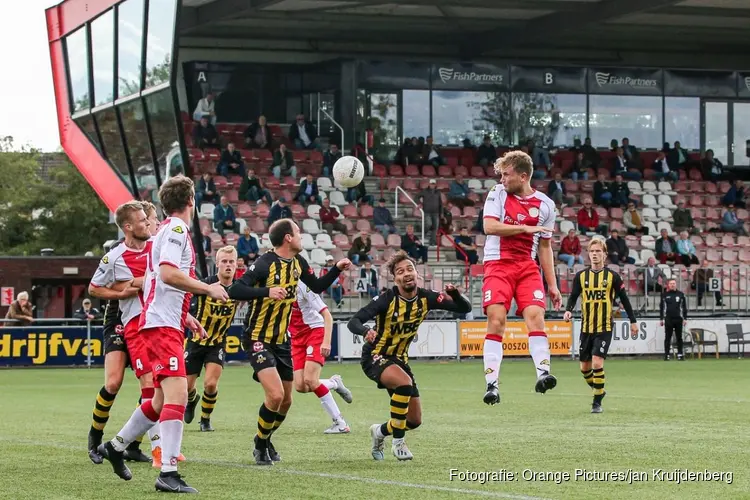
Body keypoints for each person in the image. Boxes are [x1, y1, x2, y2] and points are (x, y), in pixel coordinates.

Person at [99, 176, 229, 493]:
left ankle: (116, 447)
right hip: (160, 325)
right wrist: (208, 289)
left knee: (158, 400)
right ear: (191, 201)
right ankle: (168, 473)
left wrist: (186, 317)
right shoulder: (175, 229)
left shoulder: (162, 232)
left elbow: (160, 281)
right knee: (178, 395)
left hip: (163, 321)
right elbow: (170, 273)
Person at [228, 219, 351, 466]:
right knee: (274, 396)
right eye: (297, 232)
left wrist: (336, 268)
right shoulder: (264, 264)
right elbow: (235, 290)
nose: (301, 236)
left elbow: (316, 286)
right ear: (287, 238)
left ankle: (264, 438)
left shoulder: (298, 263)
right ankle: (260, 445)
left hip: (282, 341)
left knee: (286, 400)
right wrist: (267, 291)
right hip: (257, 338)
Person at [348, 251, 471, 461]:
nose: (406, 274)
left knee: (414, 421)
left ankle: (379, 432)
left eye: (410, 269)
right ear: (394, 279)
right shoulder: (386, 300)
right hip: (376, 355)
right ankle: (398, 442)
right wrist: (364, 331)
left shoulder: (427, 297)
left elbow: (464, 308)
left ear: (417, 273)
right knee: (404, 383)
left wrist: (456, 294)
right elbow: (354, 321)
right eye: (400, 271)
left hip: (400, 359)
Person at [481, 151, 562, 406]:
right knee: (496, 320)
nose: (502, 179)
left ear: (523, 176)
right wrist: (525, 228)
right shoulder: (497, 193)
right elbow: (490, 227)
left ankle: (543, 373)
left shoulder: (546, 205)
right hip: (498, 264)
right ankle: (492, 384)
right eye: (501, 174)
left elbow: (545, 247)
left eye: (507, 174)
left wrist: (553, 285)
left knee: (536, 317)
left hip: (527, 266)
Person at [87, 201, 159, 466]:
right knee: (113, 383)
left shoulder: (156, 247)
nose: (150, 223)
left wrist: (135, 282)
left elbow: (160, 278)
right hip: (119, 320)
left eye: (149, 218)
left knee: (150, 385)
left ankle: (132, 444)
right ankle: (95, 438)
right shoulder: (114, 256)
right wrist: (120, 291)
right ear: (128, 226)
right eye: (145, 219)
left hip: (149, 321)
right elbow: (95, 289)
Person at [563, 238, 637, 413]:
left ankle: (596, 403)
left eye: (598, 251)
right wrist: (568, 310)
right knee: (584, 368)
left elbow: (624, 300)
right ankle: (600, 391)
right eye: (592, 251)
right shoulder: (581, 277)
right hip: (586, 327)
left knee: (597, 363)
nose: (595, 254)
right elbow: (573, 296)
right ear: (588, 254)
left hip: (604, 326)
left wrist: (633, 321)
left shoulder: (612, 276)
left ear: (604, 254)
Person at [183, 246, 240, 432]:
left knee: (210, 383)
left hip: (217, 343)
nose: (228, 265)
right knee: (186, 387)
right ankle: (192, 400)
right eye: (224, 261)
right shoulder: (205, 285)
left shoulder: (239, 289)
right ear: (217, 264)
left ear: (236, 264)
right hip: (195, 341)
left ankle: (205, 419)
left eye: (231, 261)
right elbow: (186, 292)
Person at [289, 280, 353, 434]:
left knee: (310, 380)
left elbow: (327, 316)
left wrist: (327, 342)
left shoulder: (303, 286)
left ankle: (340, 423)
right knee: (301, 386)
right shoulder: (275, 286)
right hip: (296, 339)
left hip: (315, 332)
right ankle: (334, 383)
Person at [660, 279, 688, 361]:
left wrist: (685, 318)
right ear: (668, 285)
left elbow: (684, 307)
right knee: (668, 337)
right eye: (671, 283)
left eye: (674, 283)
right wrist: (661, 319)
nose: (672, 285)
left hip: (678, 319)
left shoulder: (681, 294)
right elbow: (662, 308)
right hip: (668, 319)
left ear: (676, 285)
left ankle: (680, 354)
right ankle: (667, 355)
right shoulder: (664, 295)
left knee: (679, 338)